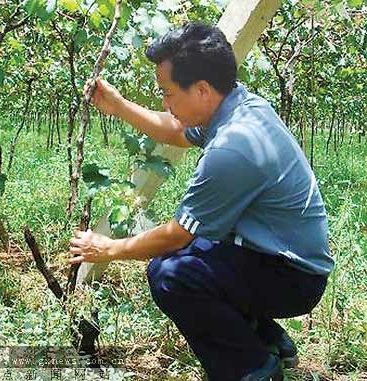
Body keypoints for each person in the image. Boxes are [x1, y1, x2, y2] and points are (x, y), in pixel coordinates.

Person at [68, 22, 334, 381]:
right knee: (186, 257)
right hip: (274, 256)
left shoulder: (233, 148)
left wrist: (109, 248)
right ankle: (267, 338)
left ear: (203, 90)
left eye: (168, 93)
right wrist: (118, 106)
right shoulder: (239, 104)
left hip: (293, 277)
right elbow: (177, 131)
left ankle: (252, 369)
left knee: (172, 273)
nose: (165, 102)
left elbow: (178, 234)